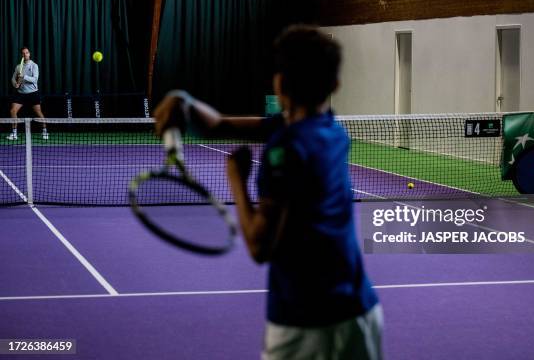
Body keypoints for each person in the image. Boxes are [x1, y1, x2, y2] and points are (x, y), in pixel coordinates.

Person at [154, 25, 383, 359]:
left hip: (303, 326)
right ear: (334, 85)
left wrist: (236, 179)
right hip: (360, 315)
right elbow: (217, 125)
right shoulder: (333, 129)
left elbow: (260, 247)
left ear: (279, 83)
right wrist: (183, 102)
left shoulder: (286, 151)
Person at [7, 47, 48, 140]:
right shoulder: (18, 67)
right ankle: (14, 134)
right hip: (20, 93)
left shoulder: (34, 65)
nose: (25, 54)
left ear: (29, 54)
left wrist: (24, 76)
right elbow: (13, 78)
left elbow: (35, 79)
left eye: (27, 53)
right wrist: (15, 84)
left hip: (33, 93)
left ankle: (45, 131)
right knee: (13, 111)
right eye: (23, 53)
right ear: (21, 55)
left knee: (38, 112)